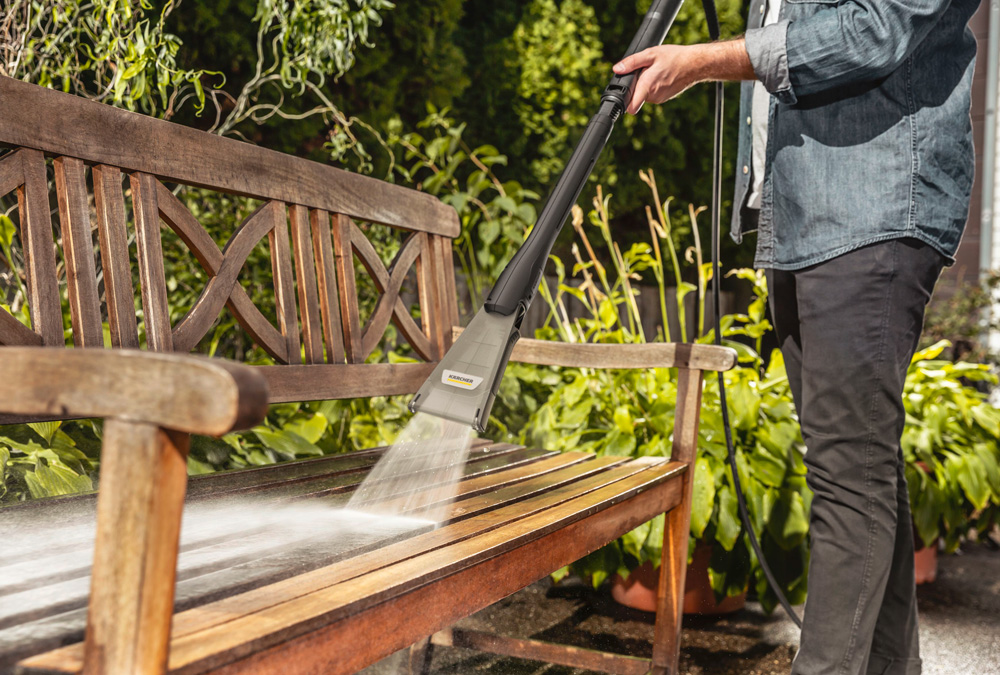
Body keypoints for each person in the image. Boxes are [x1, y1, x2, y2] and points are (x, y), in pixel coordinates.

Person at [612, 0, 980, 672]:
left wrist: (706, 61)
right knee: (861, 472)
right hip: (809, 209)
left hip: (871, 200)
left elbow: (878, 26)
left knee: (851, 480)